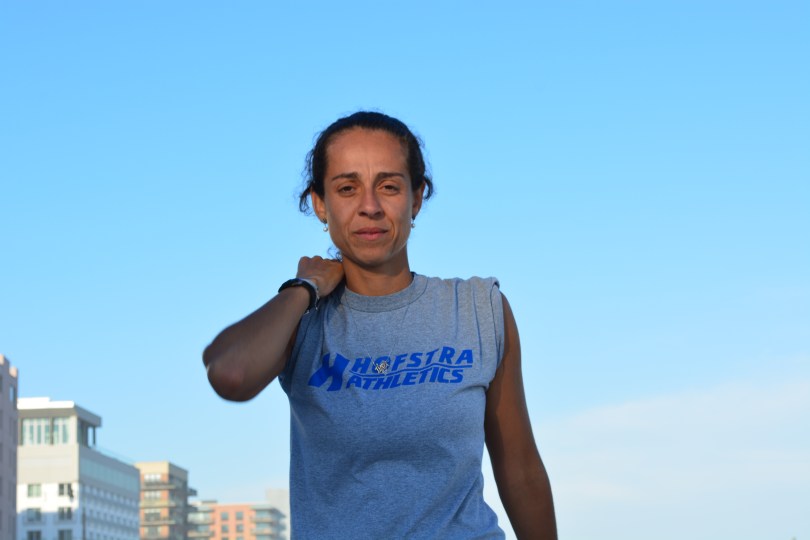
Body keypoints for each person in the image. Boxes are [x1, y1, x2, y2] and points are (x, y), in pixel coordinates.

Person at [203, 111, 557, 539]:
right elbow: (230, 372)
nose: (369, 207)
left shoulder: (478, 309)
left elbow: (520, 469)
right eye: (347, 188)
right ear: (320, 203)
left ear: (416, 198)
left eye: (388, 186)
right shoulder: (303, 321)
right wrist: (304, 288)